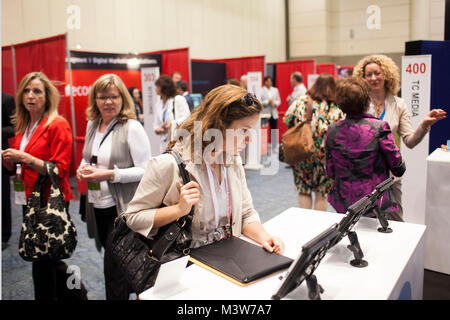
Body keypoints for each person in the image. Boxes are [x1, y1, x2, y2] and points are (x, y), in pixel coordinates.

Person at [123, 84, 285, 255]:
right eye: (244, 131)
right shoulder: (168, 165)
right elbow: (133, 218)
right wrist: (178, 209)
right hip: (186, 266)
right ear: (220, 125)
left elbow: (246, 213)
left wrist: (264, 237)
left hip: (228, 259)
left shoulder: (233, 161)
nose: (249, 140)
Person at [76, 73, 151, 300]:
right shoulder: (92, 124)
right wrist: (82, 168)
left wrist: (111, 175)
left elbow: (146, 170)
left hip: (122, 210)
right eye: (102, 97)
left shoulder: (132, 127)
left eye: (114, 96)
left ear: (122, 98)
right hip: (97, 205)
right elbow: (88, 157)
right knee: (115, 262)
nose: (108, 102)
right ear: (95, 100)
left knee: (114, 269)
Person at [1, 72, 73, 300]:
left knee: (43, 261)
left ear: (47, 96)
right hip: (28, 200)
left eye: (37, 91)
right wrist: (10, 163)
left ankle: (73, 294)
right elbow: (22, 168)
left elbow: (60, 170)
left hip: (50, 201)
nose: (30, 96)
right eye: (26, 91)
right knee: (43, 259)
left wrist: (26, 158)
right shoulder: (24, 125)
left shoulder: (57, 124)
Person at [353, 54, 446, 220]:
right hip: (363, 175)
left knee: (396, 222)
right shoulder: (358, 104)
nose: (373, 78)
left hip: (390, 177)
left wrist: (424, 125)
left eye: (377, 73)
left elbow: (410, 141)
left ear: (386, 75)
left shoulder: (398, 104)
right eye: (369, 75)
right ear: (363, 78)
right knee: (364, 223)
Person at [325, 77, 406, 219]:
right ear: (367, 101)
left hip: (343, 202)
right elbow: (398, 168)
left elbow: (330, 171)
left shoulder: (332, 130)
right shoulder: (379, 127)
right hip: (374, 203)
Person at [283, 73, 345, 211]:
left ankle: (305, 225)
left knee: (304, 190)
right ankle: (318, 228)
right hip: (327, 157)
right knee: (321, 193)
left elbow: (286, 119)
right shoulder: (337, 106)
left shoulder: (301, 101)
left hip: (303, 152)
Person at [154, 75, 190, 153]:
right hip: (164, 142)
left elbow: (187, 118)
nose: (155, 89)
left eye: (157, 86)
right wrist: (158, 129)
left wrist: (172, 124)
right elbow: (157, 123)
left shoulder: (178, 99)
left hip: (178, 141)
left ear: (164, 88)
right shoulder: (158, 104)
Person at [2, 92, 15, 250]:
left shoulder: (5, 99)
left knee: (3, 197)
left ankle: (4, 235)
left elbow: (14, 127)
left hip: (2, 157)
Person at [260, 76, 281, 152]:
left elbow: (279, 101)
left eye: (270, 81)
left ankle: (274, 146)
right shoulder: (261, 90)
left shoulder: (275, 90)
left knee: (274, 130)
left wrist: (274, 103)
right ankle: (263, 146)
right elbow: (259, 102)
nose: (269, 83)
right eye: (268, 81)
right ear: (265, 82)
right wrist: (268, 101)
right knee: (264, 130)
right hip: (265, 113)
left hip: (274, 113)